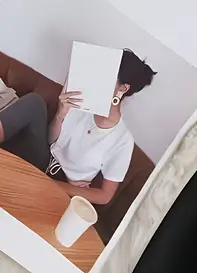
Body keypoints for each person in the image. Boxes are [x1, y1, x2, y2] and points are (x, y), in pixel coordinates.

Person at [0, 48, 155, 206]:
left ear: (123, 88)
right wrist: (60, 114)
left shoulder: (122, 140)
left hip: (61, 185)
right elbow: (50, 141)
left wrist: (51, 184)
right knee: (35, 102)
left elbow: (104, 196)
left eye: (107, 74)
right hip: (42, 158)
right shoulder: (80, 101)